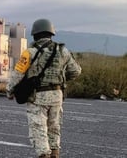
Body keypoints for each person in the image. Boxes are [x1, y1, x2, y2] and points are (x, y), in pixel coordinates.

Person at [6, 19, 82, 158]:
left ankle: (44, 155)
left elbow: (17, 75)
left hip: (37, 97)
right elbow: (75, 71)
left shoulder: (29, 53)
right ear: (51, 33)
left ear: (35, 34)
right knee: (54, 128)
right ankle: (54, 154)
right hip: (57, 95)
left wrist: (10, 91)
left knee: (39, 129)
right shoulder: (63, 51)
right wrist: (60, 80)